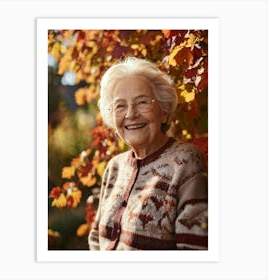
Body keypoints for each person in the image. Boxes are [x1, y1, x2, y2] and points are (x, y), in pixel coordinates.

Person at [88, 56, 208, 250]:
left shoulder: (185, 162)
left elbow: (194, 252)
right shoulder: (114, 167)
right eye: (120, 105)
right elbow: (96, 240)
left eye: (142, 102)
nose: (131, 114)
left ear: (164, 110)